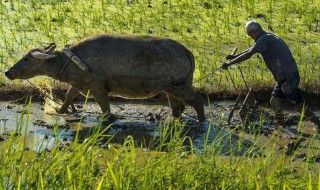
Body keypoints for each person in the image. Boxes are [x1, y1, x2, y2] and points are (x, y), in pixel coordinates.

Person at [222, 20, 320, 128]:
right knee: (274, 101)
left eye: (250, 35)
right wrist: (234, 57)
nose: (250, 37)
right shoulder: (267, 37)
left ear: (254, 31)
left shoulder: (264, 39)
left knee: (298, 106)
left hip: (288, 77)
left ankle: (318, 124)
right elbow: (252, 49)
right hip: (284, 76)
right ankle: (283, 126)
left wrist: (230, 63)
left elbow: (249, 54)